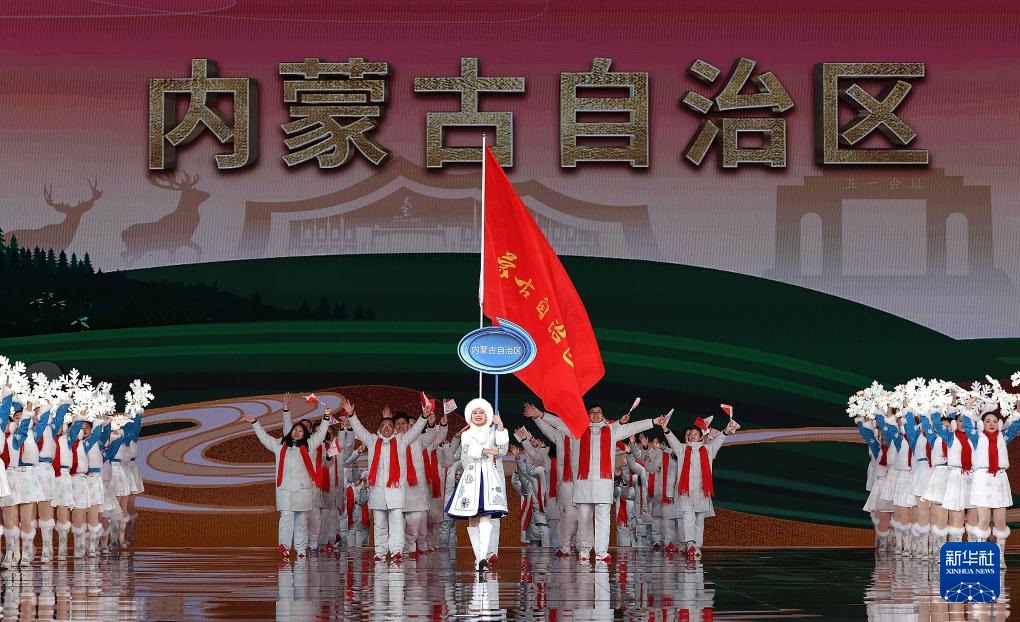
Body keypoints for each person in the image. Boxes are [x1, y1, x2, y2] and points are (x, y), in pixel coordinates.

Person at [526, 403, 660, 563]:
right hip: (583, 483)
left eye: (599, 412)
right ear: (587, 415)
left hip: (604, 484)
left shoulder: (612, 430)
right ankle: (584, 549)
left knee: (603, 518)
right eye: (592, 412)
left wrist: (653, 421)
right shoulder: (577, 430)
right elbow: (558, 423)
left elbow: (633, 427)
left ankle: (601, 552)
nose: (596, 414)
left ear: (603, 415)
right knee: (584, 517)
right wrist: (540, 414)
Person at [245, 394, 330, 560]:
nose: (297, 432)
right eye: (295, 430)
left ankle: (301, 549)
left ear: (305, 434)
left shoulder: (310, 445)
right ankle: (284, 546)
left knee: (301, 519)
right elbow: (264, 437)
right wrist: (255, 423)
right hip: (284, 490)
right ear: (290, 432)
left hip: (303, 490)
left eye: (300, 430)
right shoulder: (280, 446)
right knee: (286, 517)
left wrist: (326, 417)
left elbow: (320, 434)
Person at [346, 398, 430, 562]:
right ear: (379, 428)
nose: (386, 428)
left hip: (396, 490)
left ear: (394, 429)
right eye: (383, 425)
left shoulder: (402, 440)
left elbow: (415, 430)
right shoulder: (372, 440)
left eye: (390, 426)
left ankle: (397, 550)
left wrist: (424, 417)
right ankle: (380, 551)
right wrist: (351, 415)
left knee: (397, 521)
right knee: (379, 523)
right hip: (377, 491)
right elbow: (359, 429)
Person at [661, 414, 740, 561]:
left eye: (695, 434)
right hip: (686, 493)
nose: (692, 436)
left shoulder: (708, 450)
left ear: (700, 436)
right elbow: (672, 441)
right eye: (690, 434)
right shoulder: (682, 449)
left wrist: (726, 431)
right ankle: (690, 543)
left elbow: (719, 441)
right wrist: (665, 429)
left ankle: (697, 546)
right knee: (688, 518)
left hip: (702, 492)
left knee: (699, 521)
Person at [445, 398, 509, 572]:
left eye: (481, 412)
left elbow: (502, 451)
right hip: (472, 477)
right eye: (475, 412)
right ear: (470, 415)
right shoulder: (466, 435)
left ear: (487, 415)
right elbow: (468, 456)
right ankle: (479, 556)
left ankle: (484, 557)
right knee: (472, 518)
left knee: (486, 515)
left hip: (488, 476)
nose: (478, 415)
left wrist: (500, 426)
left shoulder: (493, 432)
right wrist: (487, 451)